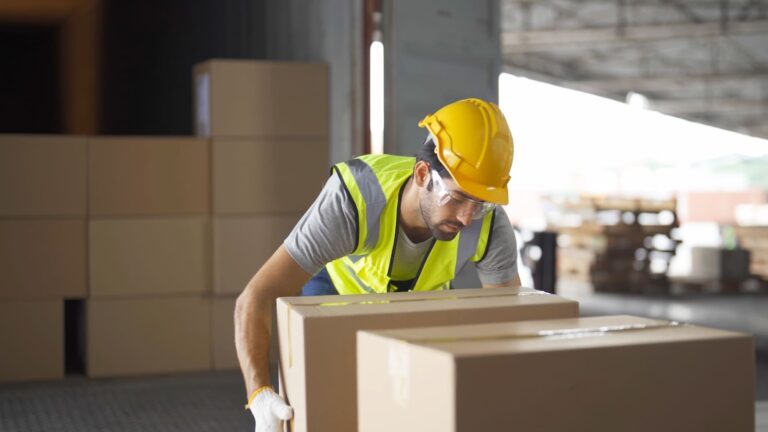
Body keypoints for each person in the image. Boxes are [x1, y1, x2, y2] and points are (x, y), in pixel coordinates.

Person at [235, 98, 520, 431]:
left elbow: (510, 321)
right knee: (330, 403)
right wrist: (259, 395)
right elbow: (256, 296)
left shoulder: (489, 223)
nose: (467, 218)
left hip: (420, 303)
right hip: (337, 294)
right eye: (456, 198)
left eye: (480, 204)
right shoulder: (353, 197)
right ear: (422, 174)